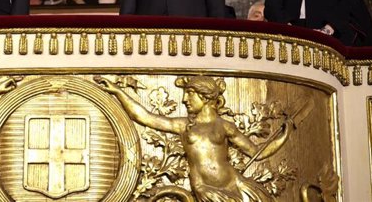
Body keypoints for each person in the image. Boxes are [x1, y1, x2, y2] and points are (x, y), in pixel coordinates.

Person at [96, 75, 291, 201]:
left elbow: (257, 152)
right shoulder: (185, 126)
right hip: (206, 191)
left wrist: (285, 134)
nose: (184, 100)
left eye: (190, 94)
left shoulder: (225, 127)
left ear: (205, 97)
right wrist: (118, 92)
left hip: (237, 185)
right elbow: (145, 117)